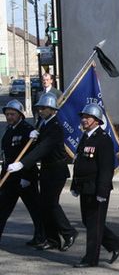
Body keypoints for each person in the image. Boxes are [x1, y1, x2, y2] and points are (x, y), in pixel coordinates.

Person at [7, 93, 78, 251]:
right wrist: (34, 136)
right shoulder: (43, 123)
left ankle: (69, 232)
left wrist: (22, 164)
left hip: (57, 170)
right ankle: (52, 240)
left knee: (51, 204)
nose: (40, 110)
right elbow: (37, 145)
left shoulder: (55, 127)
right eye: (39, 107)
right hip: (46, 170)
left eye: (44, 108)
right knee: (44, 206)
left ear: (53, 110)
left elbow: (43, 149)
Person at [70, 103, 119, 267]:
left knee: (94, 225)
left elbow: (106, 168)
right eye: (83, 117)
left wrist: (102, 191)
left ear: (96, 121)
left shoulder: (103, 139)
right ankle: (115, 243)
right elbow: (79, 162)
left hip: (97, 189)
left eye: (87, 117)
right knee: (89, 222)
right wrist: (74, 185)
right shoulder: (85, 137)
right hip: (85, 187)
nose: (84, 120)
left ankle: (91, 259)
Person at [0, 100, 44, 246]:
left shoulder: (27, 130)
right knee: (2, 209)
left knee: (36, 210)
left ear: (20, 115)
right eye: (7, 114)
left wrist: (26, 177)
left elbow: (30, 156)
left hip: (25, 179)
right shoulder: (9, 130)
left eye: (12, 114)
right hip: (9, 178)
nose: (9, 117)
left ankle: (41, 236)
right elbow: (7, 157)